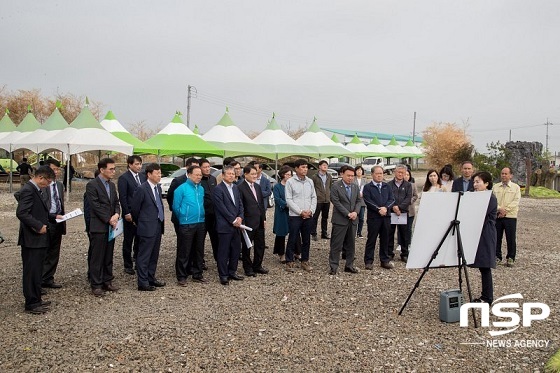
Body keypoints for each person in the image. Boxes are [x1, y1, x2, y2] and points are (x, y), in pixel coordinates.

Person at [16, 165, 56, 314]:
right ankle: (31, 302)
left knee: (37, 270)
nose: (48, 185)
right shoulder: (28, 190)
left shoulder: (36, 189)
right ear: (40, 177)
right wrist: (38, 226)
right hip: (31, 239)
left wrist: (52, 217)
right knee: (31, 271)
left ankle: (36, 298)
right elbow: (22, 213)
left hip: (39, 239)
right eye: (48, 182)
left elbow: (37, 210)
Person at [86, 158, 121, 297]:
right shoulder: (92, 185)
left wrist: (117, 214)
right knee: (97, 256)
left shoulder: (112, 185)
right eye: (111, 169)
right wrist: (109, 219)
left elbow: (116, 202)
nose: (113, 171)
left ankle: (107, 280)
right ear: (102, 170)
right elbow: (95, 206)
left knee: (108, 255)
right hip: (99, 225)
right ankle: (96, 284)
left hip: (111, 226)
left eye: (114, 169)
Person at [130, 163, 166, 291]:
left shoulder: (158, 188)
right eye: (157, 173)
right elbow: (135, 209)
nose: (159, 176)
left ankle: (151, 277)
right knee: (144, 255)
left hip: (157, 224)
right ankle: (143, 282)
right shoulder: (142, 189)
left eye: (160, 173)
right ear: (149, 174)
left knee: (154, 254)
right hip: (146, 226)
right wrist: (141, 222)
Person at [173, 165, 208, 285]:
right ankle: (181, 276)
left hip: (200, 222)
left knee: (199, 250)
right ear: (189, 174)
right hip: (186, 223)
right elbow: (176, 207)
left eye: (200, 175)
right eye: (196, 175)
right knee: (184, 250)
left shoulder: (201, 188)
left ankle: (197, 274)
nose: (199, 177)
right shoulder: (181, 189)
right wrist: (184, 216)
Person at [212, 166, 245, 285]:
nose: (231, 175)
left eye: (233, 173)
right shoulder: (218, 189)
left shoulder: (236, 188)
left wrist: (240, 217)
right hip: (225, 225)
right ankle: (223, 275)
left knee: (236, 250)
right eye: (229, 174)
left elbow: (240, 204)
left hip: (237, 224)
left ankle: (232, 271)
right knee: (223, 251)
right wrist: (233, 220)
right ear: (223, 175)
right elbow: (221, 208)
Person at [285, 159, 317, 272]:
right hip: (295, 215)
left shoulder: (309, 181)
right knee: (293, 238)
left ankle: (305, 260)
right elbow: (289, 199)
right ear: (296, 168)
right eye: (303, 167)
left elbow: (314, 197)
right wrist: (300, 211)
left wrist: (311, 210)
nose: (305, 169)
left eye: (306, 167)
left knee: (306, 239)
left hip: (308, 215)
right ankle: (289, 260)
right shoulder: (290, 182)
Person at [328, 165, 362, 275]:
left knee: (351, 244)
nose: (351, 178)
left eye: (352, 176)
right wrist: (348, 213)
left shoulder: (355, 186)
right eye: (348, 175)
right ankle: (334, 266)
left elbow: (358, 201)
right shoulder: (335, 186)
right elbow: (336, 202)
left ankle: (349, 265)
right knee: (336, 244)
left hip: (353, 220)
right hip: (340, 220)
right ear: (342, 174)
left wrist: (356, 212)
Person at [471, 171, 497, 304]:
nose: (475, 185)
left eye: (478, 182)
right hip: (475, 233)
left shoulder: (490, 198)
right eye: (474, 182)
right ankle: (484, 295)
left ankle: (487, 298)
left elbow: (480, 214)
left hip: (486, 234)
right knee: (480, 266)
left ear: (486, 184)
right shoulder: (474, 196)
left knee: (485, 266)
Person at [363, 165, 395, 270]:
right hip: (374, 217)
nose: (379, 176)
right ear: (372, 174)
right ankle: (368, 261)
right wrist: (378, 209)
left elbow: (392, 199)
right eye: (377, 174)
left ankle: (385, 260)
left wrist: (385, 208)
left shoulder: (387, 186)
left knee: (385, 239)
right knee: (372, 239)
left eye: (381, 173)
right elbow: (367, 201)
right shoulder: (368, 187)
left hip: (386, 217)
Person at [118, 155, 146, 275]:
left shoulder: (142, 177)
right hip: (130, 214)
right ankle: (127, 264)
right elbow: (123, 197)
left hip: (141, 213)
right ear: (130, 165)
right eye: (136, 164)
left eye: (140, 164)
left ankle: (138, 260)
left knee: (140, 238)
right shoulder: (124, 178)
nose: (139, 166)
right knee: (128, 240)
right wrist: (126, 212)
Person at [238, 165, 268, 276]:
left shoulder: (257, 186)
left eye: (256, 174)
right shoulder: (240, 187)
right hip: (248, 222)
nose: (254, 176)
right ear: (245, 174)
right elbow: (240, 206)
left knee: (260, 245)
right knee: (247, 246)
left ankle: (257, 265)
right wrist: (242, 223)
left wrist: (263, 219)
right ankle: (248, 268)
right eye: (252, 174)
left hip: (259, 221)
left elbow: (261, 204)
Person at [41, 158, 66, 289]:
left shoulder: (60, 185)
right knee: (43, 252)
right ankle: (38, 281)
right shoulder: (41, 185)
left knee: (54, 251)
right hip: (45, 221)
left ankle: (48, 278)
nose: (56, 172)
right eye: (54, 169)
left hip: (58, 220)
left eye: (58, 169)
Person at [492, 167, 521, 267]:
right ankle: (497, 256)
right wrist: (500, 209)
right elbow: (492, 200)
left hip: (510, 216)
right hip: (498, 215)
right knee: (497, 237)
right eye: (502, 173)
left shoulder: (516, 187)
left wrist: (505, 210)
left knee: (510, 237)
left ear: (511, 175)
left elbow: (516, 201)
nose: (504, 175)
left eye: (506, 174)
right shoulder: (495, 187)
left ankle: (511, 257)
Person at [387, 165, 413, 262]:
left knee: (404, 234)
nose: (400, 174)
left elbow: (408, 198)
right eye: (399, 172)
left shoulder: (408, 185)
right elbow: (388, 197)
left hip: (403, 212)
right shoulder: (389, 184)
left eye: (403, 172)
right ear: (395, 172)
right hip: (391, 212)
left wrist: (400, 207)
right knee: (390, 233)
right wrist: (394, 207)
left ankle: (404, 253)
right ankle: (389, 253)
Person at [199, 158, 219, 261]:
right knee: (200, 240)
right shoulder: (198, 181)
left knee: (216, 239)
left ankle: (218, 259)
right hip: (203, 216)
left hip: (214, 215)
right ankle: (200, 261)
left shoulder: (213, 179)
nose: (207, 169)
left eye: (208, 167)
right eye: (205, 167)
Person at [273, 166, 292, 263]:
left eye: (290, 174)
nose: (289, 176)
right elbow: (277, 199)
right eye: (287, 174)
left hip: (293, 211)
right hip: (281, 212)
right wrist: (286, 204)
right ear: (282, 175)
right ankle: (281, 253)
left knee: (295, 232)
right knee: (281, 232)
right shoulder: (277, 186)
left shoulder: (293, 185)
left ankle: (296, 252)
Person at [311, 160, 332, 241]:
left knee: (325, 217)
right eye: (323, 165)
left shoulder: (329, 176)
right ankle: (313, 233)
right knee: (315, 217)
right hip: (318, 200)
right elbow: (312, 188)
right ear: (319, 166)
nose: (325, 166)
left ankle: (324, 233)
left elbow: (330, 187)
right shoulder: (314, 177)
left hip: (327, 200)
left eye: (326, 165)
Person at [403, 169, 418, 256]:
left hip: (410, 210)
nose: (406, 176)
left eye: (408, 175)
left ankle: (408, 244)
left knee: (408, 229)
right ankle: (401, 244)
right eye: (405, 174)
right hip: (400, 211)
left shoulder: (413, 185)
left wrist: (409, 201)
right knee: (401, 229)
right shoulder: (399, 185)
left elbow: (416, 196)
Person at [354, 165, 367, 238]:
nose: (359, 171)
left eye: (360, 170)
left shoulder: (364, 181)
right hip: (354, 201)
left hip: (362, 201)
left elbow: (367, 190)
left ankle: (359, 232)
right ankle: (354, 231)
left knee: (361, 217)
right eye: (358, 170)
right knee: (355, 217)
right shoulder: (353, 179)